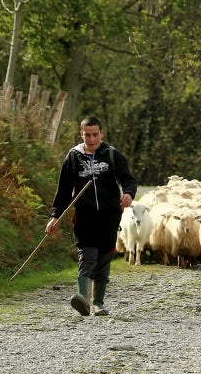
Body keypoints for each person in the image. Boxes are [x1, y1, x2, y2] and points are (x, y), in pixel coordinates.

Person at [45, 116, 137, 317]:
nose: (92, 139)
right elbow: (63, 191)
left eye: (95, 134)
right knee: (87, 257)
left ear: (102, 133)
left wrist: (128, 194)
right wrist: (55, 216)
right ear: (81, 134)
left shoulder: (112, 155)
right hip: (84, 218)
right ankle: (82, 298)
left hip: (109, 216)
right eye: (87, 135)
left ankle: (98, 303)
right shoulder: (73, 157)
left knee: (104, 259)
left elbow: (128, 179)